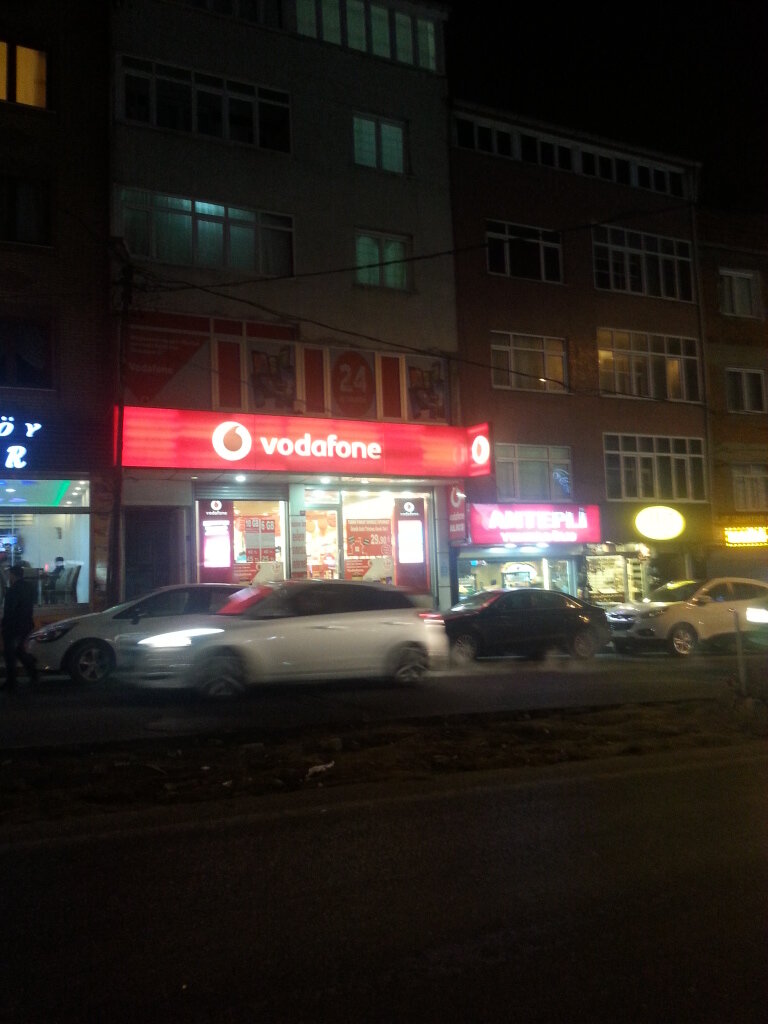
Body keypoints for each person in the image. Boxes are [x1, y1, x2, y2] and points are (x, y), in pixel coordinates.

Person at [1, 564, 39, 689]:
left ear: (13, 575)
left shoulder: (13, 590)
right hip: (26, 623)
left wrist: (4, 624)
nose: (8, 577)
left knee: (9, 653)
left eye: (9, 574)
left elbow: (10, 610)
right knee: (19, 650)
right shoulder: (29, 587)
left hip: (13, 626)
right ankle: (33, 673)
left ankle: (11, 681)